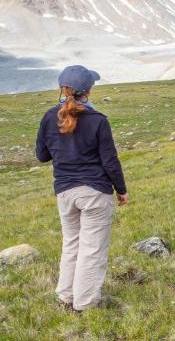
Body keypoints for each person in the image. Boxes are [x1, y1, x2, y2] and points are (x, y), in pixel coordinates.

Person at [35, 65, 128, 313]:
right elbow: (110, 160)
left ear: (62, 89)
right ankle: (86, 304)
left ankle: (66, 298)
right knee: (92, 249)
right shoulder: (98, 121)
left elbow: (41, 156)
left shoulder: (48, 117)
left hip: (65, 193)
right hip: (95, 192)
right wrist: (121, 189)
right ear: (86, 91)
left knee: (71, 244)